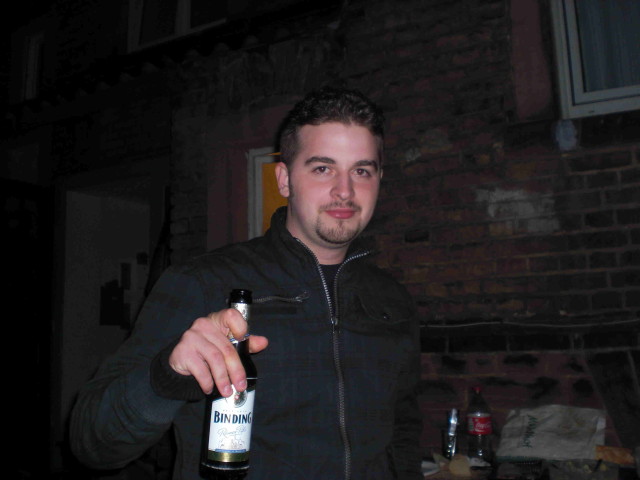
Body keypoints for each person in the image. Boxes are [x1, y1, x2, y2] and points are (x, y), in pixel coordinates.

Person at [69, 86, 423, 480]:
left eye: (362, 170)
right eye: (323, 168)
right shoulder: (202, 283)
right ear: (284, 179)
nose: (345, 190)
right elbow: (92, 442)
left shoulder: (392, 300)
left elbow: (403, 432)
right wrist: (165, 376)